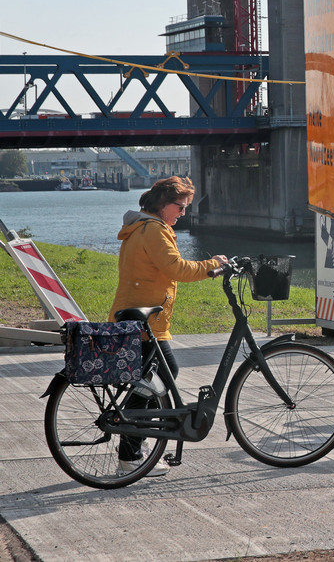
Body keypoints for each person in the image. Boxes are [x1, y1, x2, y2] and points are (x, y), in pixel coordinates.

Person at [109, 176, 229, 475]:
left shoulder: (144, 226)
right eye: (180, 206)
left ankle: (133, 443)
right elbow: (176, 268)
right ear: (163, 205)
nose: (184, 213)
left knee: (152, 381)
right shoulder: (153, 230)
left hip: (141, 318)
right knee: (158, 378)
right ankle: (130, 454)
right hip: (142, 321)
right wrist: (211, 264)